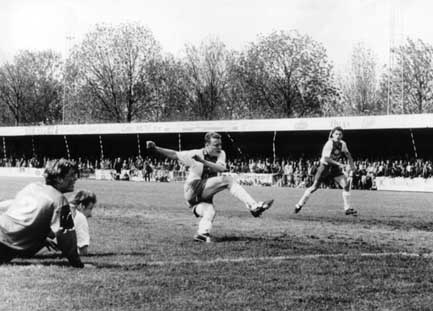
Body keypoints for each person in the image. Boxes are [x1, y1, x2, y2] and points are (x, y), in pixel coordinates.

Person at [146, 132, 274, 243]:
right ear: (207, 145)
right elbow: (175, 154)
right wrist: (155, 148)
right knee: (228, 180)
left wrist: (203, 162)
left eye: (220, 145)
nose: (219, 147)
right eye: (216, 145)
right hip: (193, 188)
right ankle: (253, 206)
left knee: (210, 211)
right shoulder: (195, 153)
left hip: (198, 198)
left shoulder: (220, 154)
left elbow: (221, 168)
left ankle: (202, 234)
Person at [0, 158, 84, 268]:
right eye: (72, 175)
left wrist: (41, 238)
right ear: (59, 178)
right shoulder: (60, 200)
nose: (75, 179)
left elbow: (18, 217)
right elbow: (66, 235)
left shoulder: (32, 186)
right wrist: (77, 263)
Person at [294, 126, 357, 216]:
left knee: (346, 185)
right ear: (332, 135)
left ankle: (347, 209)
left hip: (335, 168)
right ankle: (299, 204)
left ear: (342, 135)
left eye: (340, 134)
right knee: (314, 187)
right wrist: (340, 164)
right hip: (325, 167)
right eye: (336, 134)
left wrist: (352, 166)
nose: (338, 136)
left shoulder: (343, 144)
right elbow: (326, 159)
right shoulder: (329, 144)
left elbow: (348, 155)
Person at [68, 190, 97, 256]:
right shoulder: (80, 218)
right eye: (90, 208)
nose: (90, 214)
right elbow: (83, 251)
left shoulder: (65, 211)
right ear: (81, 206)